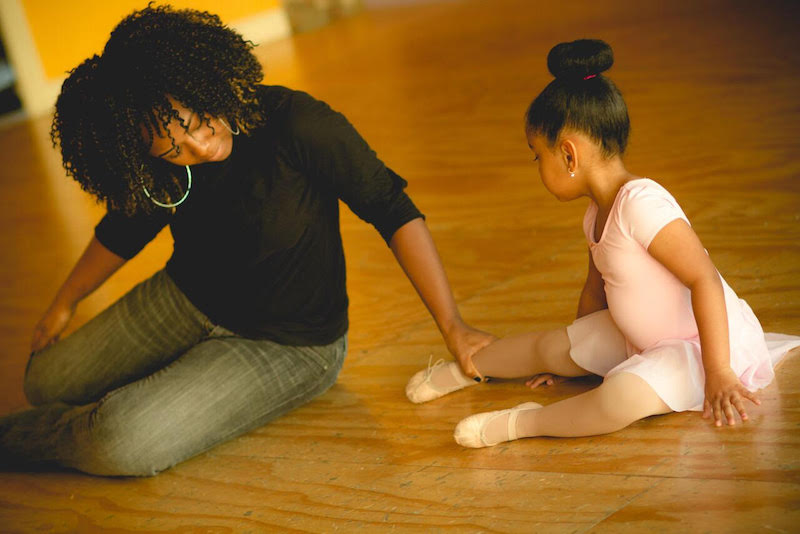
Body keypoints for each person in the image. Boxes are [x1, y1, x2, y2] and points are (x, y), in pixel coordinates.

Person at [0, 5, 493, 476]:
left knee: (120, 441)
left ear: (201, 81)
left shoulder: (296, 123)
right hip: (185, 298)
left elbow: (392, 208)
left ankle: (46, 435)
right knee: (44, 381)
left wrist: (453, 326)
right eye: (173, 150)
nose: (199, 147)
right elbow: (124, 231)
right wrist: (64, 302)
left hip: (287, 344)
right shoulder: (157, 158)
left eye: (193, 125)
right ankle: (110, 412)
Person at [405, 39, 800, 448]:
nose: (537, 166)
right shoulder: (596, 213)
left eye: (537, 156)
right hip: (640, 336)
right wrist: (574, 361)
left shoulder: (642, 203)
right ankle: (466, 369)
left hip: (699, 346)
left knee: (620, 398)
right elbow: (597, 289)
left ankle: (522, 423)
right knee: (550, 345)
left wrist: (719, 370)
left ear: (569, 156)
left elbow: (704, 280)